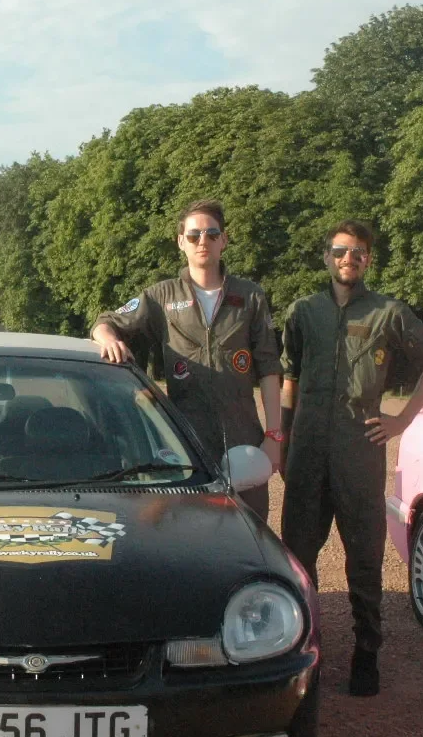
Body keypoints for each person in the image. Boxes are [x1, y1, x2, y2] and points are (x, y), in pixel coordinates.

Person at [278, 220, 423, 697]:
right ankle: (299, 652)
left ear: (368, 260)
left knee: (365, 560)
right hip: (307, 453)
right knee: (297, 560)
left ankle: (366, 652)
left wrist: (401, 419)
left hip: (359, 452)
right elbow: (290, 377)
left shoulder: (388, 313)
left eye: (359, 253)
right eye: (340, 251)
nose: (348, 259)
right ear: (326, 256)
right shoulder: (303, 312)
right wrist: (284, 444)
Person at [90, 199, 282, 520]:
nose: (202, 242)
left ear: (224, 240)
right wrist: (108, 338)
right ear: (181, 242)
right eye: (193, 236)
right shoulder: (160, 296)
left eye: (211, 234)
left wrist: (274, 437)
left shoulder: (250, 296)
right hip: (185, 443)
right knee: (191, 533)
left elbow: (269, 368)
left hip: (242, 440)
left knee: (250, 535)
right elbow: (105, 322)